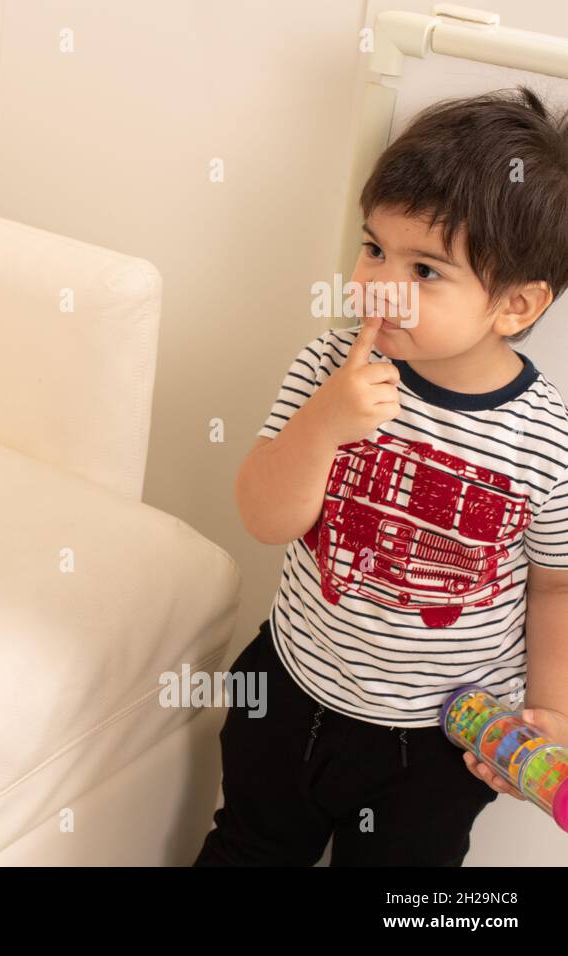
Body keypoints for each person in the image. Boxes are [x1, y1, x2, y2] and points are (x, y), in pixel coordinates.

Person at [196, 86, 568, 866]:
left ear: (516, 303)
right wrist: (323, 425)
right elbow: (266, 518)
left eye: (425, 269)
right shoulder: (330, 367)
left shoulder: (549, 441)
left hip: (433, 741)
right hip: (291, 691)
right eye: (373, 249)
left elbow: (556, 587)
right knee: (248, 846)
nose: (378, 284)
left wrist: (555, 709)